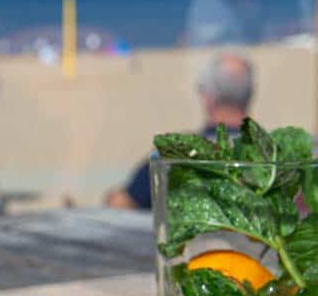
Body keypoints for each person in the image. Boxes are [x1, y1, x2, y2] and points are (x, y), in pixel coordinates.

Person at [104, 53, 254, 211]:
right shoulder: (271, 157)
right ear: (250, 95)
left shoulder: (175, 154)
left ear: (207, 97)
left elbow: (121, 206)